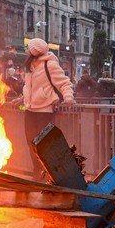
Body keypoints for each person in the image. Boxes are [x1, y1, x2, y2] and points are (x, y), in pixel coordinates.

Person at [21, 37, 75, 176]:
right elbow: (31, 87)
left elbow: (64, 83)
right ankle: (37, 170)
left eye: (29, 48)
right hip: (30, 109)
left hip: (44, 110)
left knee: (43, 143)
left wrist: (68, 97)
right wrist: (22, 99)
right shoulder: (30, 66)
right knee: (30, 142)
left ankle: (43, 172)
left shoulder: (49, 64)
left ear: (34, 51)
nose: (27, 50)